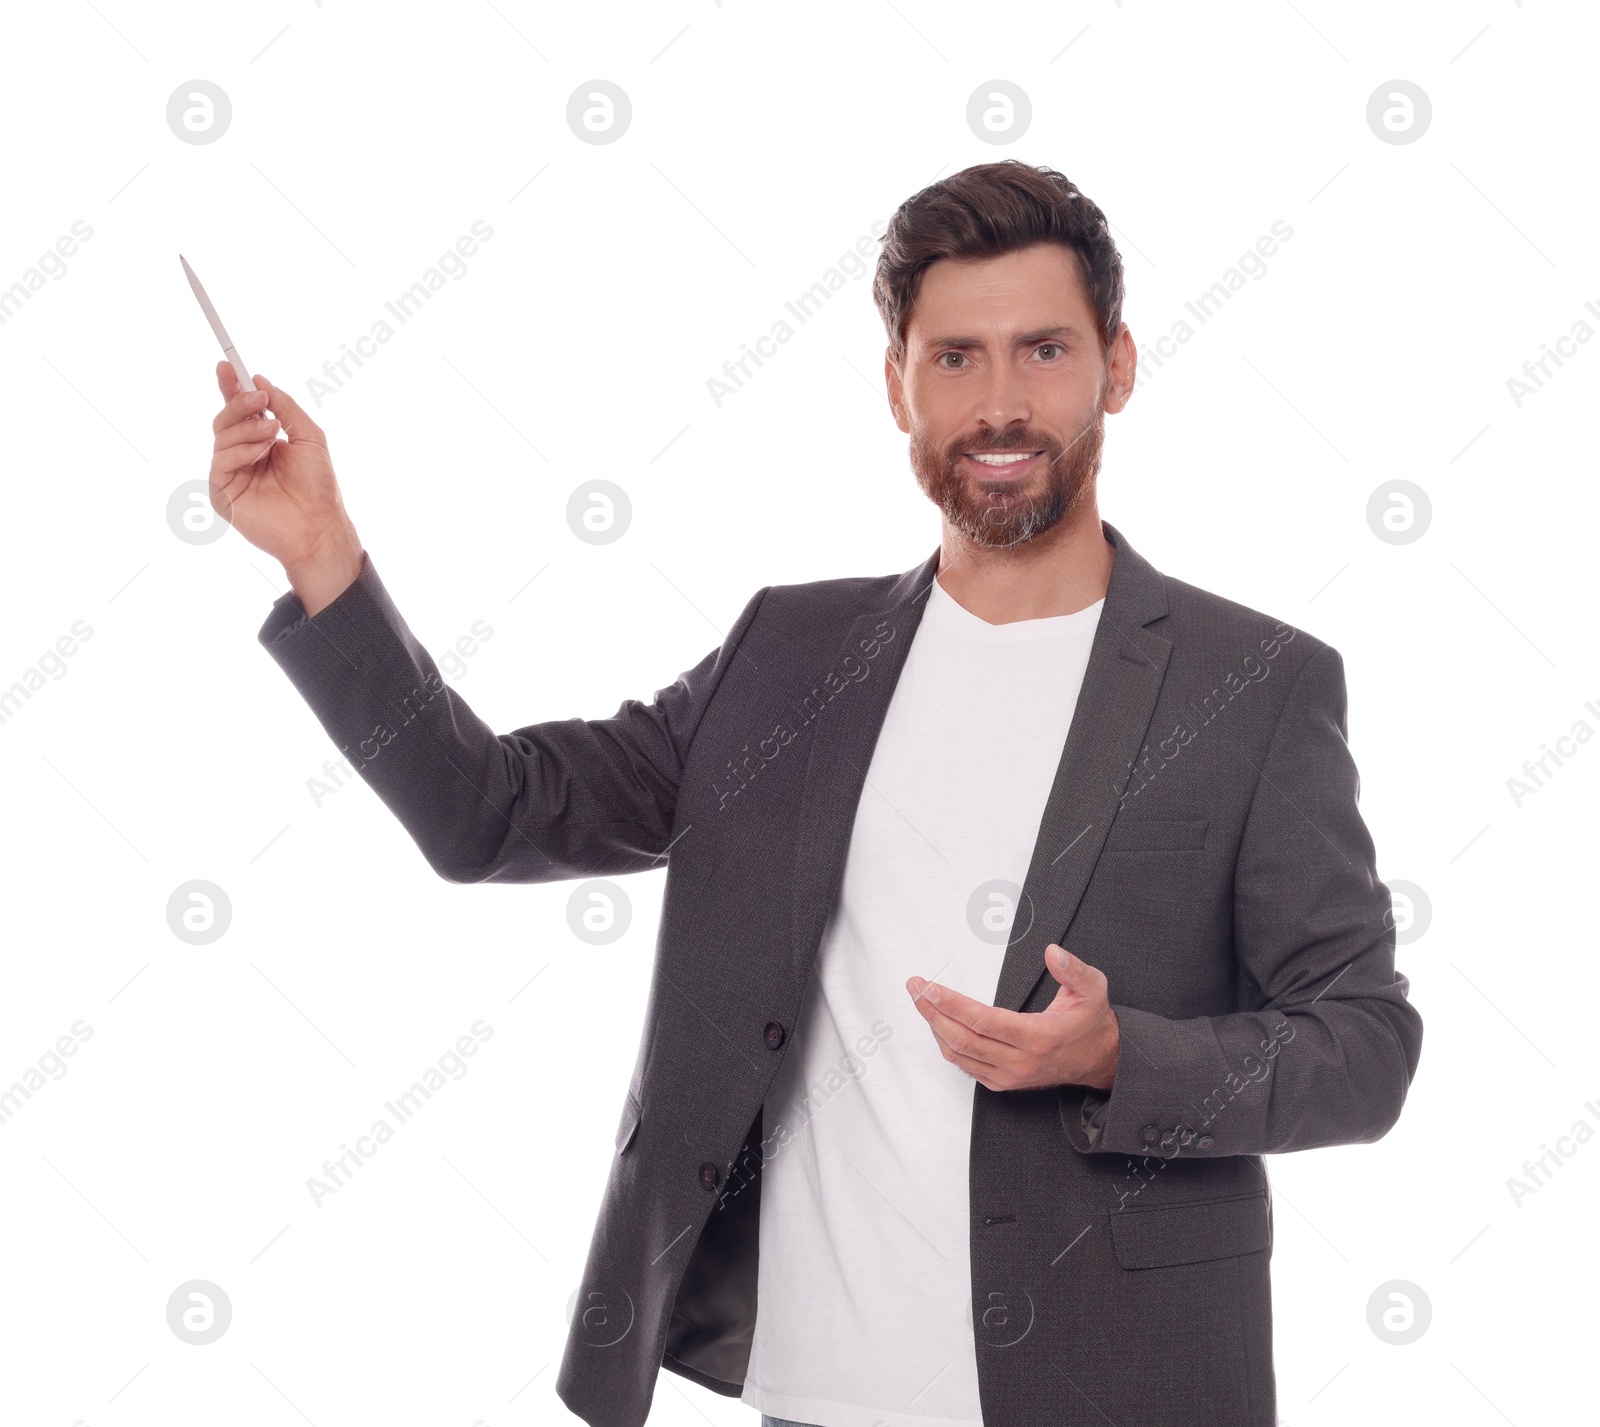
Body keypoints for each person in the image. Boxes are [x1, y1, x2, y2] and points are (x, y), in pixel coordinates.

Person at [211, 160, 1422, 1427]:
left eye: (1043, 351)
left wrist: (1127, 1054)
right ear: (895, 381)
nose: (999, 403)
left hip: (1115, 1384)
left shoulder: (1255, 684)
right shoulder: (790, 652)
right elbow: (490, 812)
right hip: (815, 1394)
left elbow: (1366, 1046)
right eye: (953, 357)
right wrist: (320, 554)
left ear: (1115, 367)